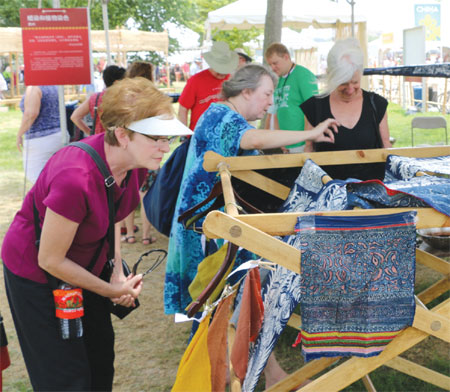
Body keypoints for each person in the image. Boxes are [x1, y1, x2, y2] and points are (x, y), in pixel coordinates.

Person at [2, 77, 193, 391]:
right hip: (36, 273)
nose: (165, 147)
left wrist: (116, 273)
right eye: (156, 138)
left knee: (99, 359)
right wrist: (107, 289)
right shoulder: (75, 176)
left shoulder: (136, 162)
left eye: (167, 138)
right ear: (122, 134)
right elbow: (49, 259)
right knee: (64, 376)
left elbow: (113, 219)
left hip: (83, 268)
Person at [165, 64, 338, 316]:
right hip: (206, 220)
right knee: (209, 292)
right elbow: (254, 139)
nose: (270, 103)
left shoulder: (223, 114)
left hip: (209, 216)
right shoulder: (222, 116)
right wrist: (311, 133)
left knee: (212, 291)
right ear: (246, 92)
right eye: (266, 94)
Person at [301, 38, 392, 181]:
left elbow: (386, 147)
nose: (350, 90)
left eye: (355, 82)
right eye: (342, 83)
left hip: (371, 193)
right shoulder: (315, 107)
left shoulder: (376, 105)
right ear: (331, 76)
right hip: (328, 192)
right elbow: (308, 149)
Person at [121, 60, 156, 245]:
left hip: (127, 145)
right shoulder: (153, 96)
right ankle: (146, 235)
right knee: (146, 193)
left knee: (128, 190)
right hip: (149, 146)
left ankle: (129, 234)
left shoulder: (122, 95)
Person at [265, 43, 318, 153]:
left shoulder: (303, 74)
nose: (272, 68)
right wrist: (280, 140)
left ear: (286, 57)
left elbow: (313, 110)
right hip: (286, 144)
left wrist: (309, 143)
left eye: (275, 63)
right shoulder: (280, 80)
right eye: (270, 64)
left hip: (302, 143)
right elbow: (276, 113)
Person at [178, 41, 239, 131]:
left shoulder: (232, 80)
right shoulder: (196, 80)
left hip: (225, 134)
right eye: (218, 69)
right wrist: (183, 134)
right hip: (200, 134)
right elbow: (183, 109)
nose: (221, 73)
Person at [16, 85, 64, 184]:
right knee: (56, 177)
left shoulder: (34, 88)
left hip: (40, 138)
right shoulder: (56, 86)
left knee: (36, 178)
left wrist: (20, 133)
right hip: (59, 134)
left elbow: (31, 113)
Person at [71, 65, 126, 136]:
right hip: (121, 140)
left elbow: (75, 117)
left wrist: (90, 132)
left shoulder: (95, 97)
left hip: (99, 140)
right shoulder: (124, 98)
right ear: (117, 82)